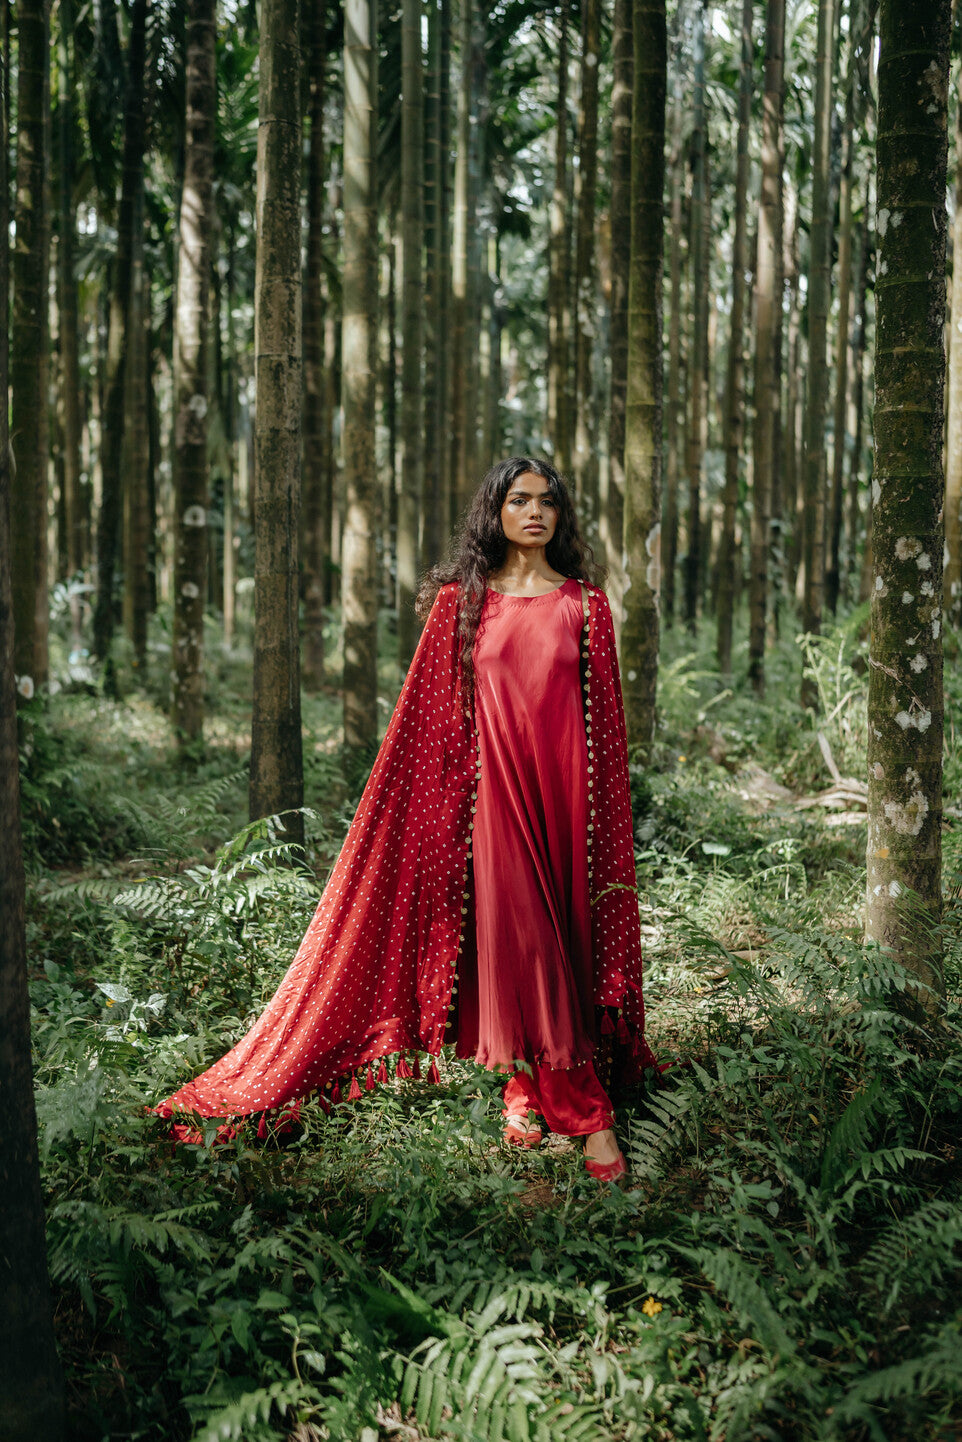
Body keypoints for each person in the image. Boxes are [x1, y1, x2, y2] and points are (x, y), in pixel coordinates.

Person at [154, 457, 657, 1183]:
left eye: (548, 502)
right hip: (490, 806)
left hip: (562, 808)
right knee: (530, 945)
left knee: (551, 950)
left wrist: (603, 832)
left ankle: (523, 1086)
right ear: (495, 512)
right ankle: (588, 1117)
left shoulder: (587, 606)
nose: (535, 513)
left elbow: (604, 730)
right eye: (519, 501)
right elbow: (425, 724)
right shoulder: (460, 604)